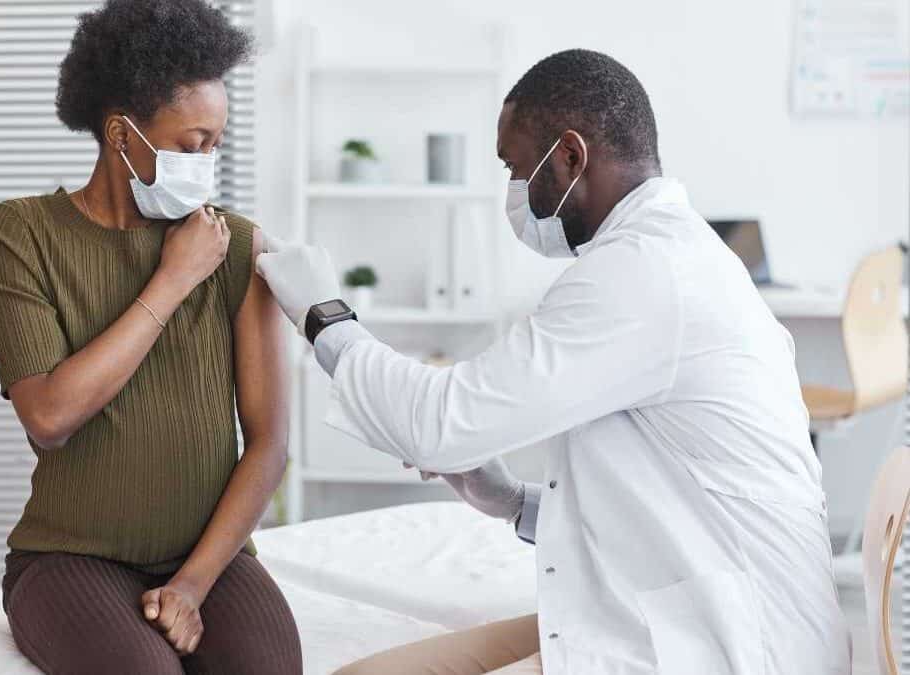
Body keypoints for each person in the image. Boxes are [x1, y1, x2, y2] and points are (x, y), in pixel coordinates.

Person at [256, 49, 851, 674]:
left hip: (729, 646)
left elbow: (439, 423)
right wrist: (513, 501)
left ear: (569, 156)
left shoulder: (644, 274)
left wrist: (323, 318)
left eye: (515, 167)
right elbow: (660, 501)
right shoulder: (665, 257)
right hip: (683, 610)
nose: (513, 193)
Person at [0, 1, 300, 673]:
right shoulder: (21, 233)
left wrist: (193, 583)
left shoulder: (237, 245)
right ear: (123, 135)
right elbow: (50, 416)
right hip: (68, 558)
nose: (208, 162)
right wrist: (172, 281)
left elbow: (268, 442)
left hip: (208, 553)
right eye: (192, 144)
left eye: (217, 142)